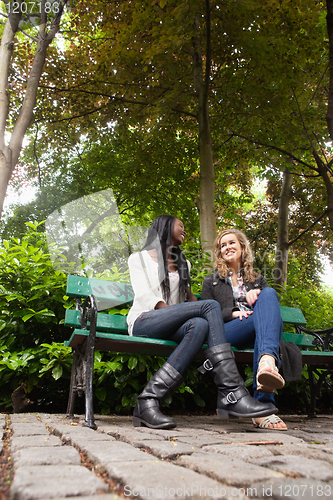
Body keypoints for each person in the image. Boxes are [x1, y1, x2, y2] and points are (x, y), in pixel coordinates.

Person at [127, 215, 276, 429]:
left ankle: (148, 400)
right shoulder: (138, 258)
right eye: (181, 225)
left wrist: (187, 310)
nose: (184, 230)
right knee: (210, 306)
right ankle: (231, 391)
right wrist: (179, 313)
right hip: (145, 320)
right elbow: (146, 297)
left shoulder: (183, 263)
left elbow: (188, 301)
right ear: (166, 226)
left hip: (171, 325)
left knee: (200, 325)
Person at [201, 228, 287, 431]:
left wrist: (257, 294)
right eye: (223, 245)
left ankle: (266, 363)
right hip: (226, 333)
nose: (227, 247)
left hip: (257, 330)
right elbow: (204, 312)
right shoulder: (211, 280)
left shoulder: (256, 279)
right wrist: (231, 313)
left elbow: (268, 311)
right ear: (219, 252)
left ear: (242, 247)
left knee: (268, 294)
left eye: (232, 243)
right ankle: (265, 404)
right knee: (267, 324)